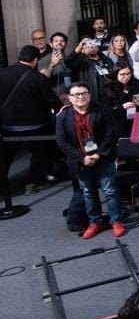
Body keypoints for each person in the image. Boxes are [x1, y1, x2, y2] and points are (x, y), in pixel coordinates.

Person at [55, 82, 123, 239]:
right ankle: (95, 222)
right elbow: (62, 142)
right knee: (88, 193)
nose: (80, 97)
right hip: (81, 162)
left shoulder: (101, 110)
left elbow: (111, 133)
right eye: (76, 94)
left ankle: (116, 221)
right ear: (70, 98)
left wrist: (98, 154)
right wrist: (82, 158)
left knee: (110, 191)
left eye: (84, 93)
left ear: (89, 95)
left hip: (103, 157)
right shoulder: (63, 117)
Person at [1, 46, 62, 195]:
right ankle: (32, 182)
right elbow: (51, 100)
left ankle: (2, 184)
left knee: (6, 155)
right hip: (36, 125)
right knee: (39, 152)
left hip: (8, 125)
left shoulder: (2, 73)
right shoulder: (37, 77)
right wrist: (61, 107)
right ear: (35, 60)